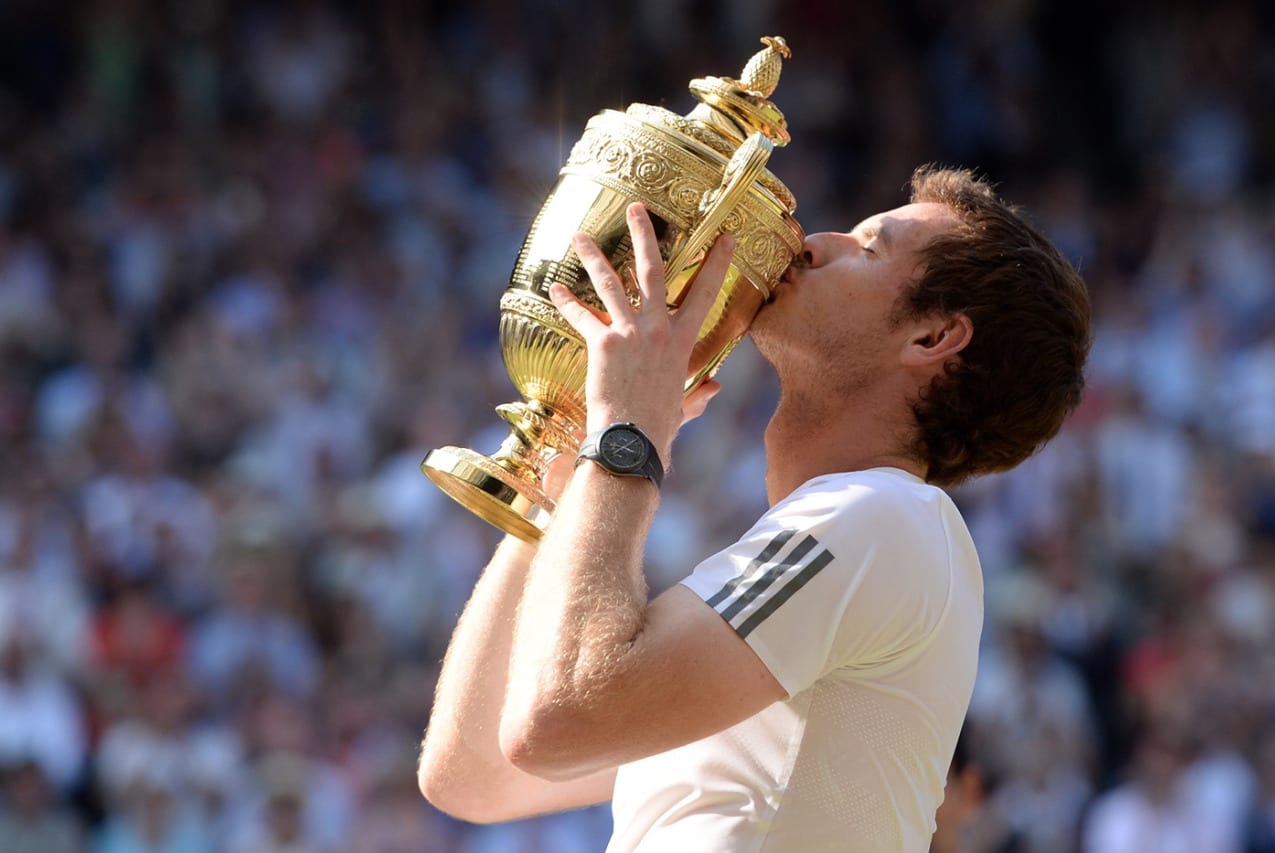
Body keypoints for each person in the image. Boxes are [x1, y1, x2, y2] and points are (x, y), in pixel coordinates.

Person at [417, 165, 1092, 851]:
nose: (814, 242)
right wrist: (571, 457)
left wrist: (626, 433)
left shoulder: (885, 516)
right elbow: (474, 773)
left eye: (868, 247)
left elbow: (555, 716)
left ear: (931, 338)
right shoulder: (849, 548)